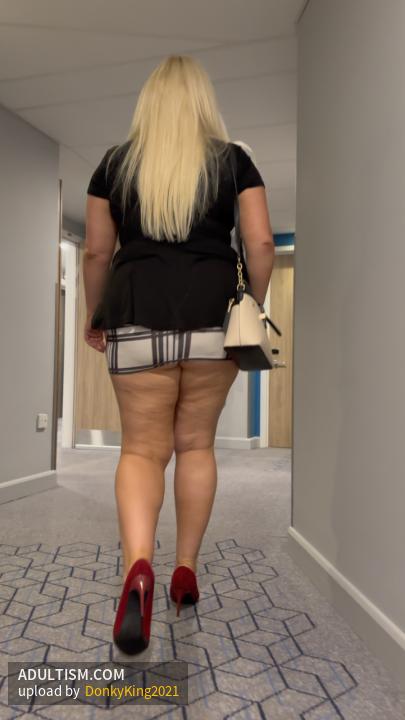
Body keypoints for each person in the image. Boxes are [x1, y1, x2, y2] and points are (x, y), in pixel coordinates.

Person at [83, 54, 274, 655]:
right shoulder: (233, 161)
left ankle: (138, 567)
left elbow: (96, 253)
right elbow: (261, 243)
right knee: (196, 446)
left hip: (136, 307)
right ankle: (185, 569)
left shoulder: (113, 164)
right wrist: (253, 303)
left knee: (141, 450)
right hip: (214, 316)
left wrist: (95, 313)